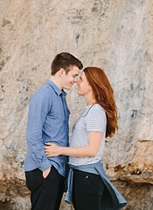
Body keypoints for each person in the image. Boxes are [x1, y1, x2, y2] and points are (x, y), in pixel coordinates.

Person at [44, 67, 127, 210]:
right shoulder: (89, 110)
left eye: (81, 79)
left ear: (92, 85)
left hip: (87, 177)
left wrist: (60, 150)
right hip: (81, 175)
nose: (77, 82)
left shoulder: (96, 112)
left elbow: (92, 150)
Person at [25, 52, 83, 210]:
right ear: (61, 72)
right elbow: (33, 135)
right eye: (74, 75)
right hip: (45, 169)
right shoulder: (44, 96)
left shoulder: (59, 97)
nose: (75, 80)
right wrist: (45, 167)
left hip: (56, 169)